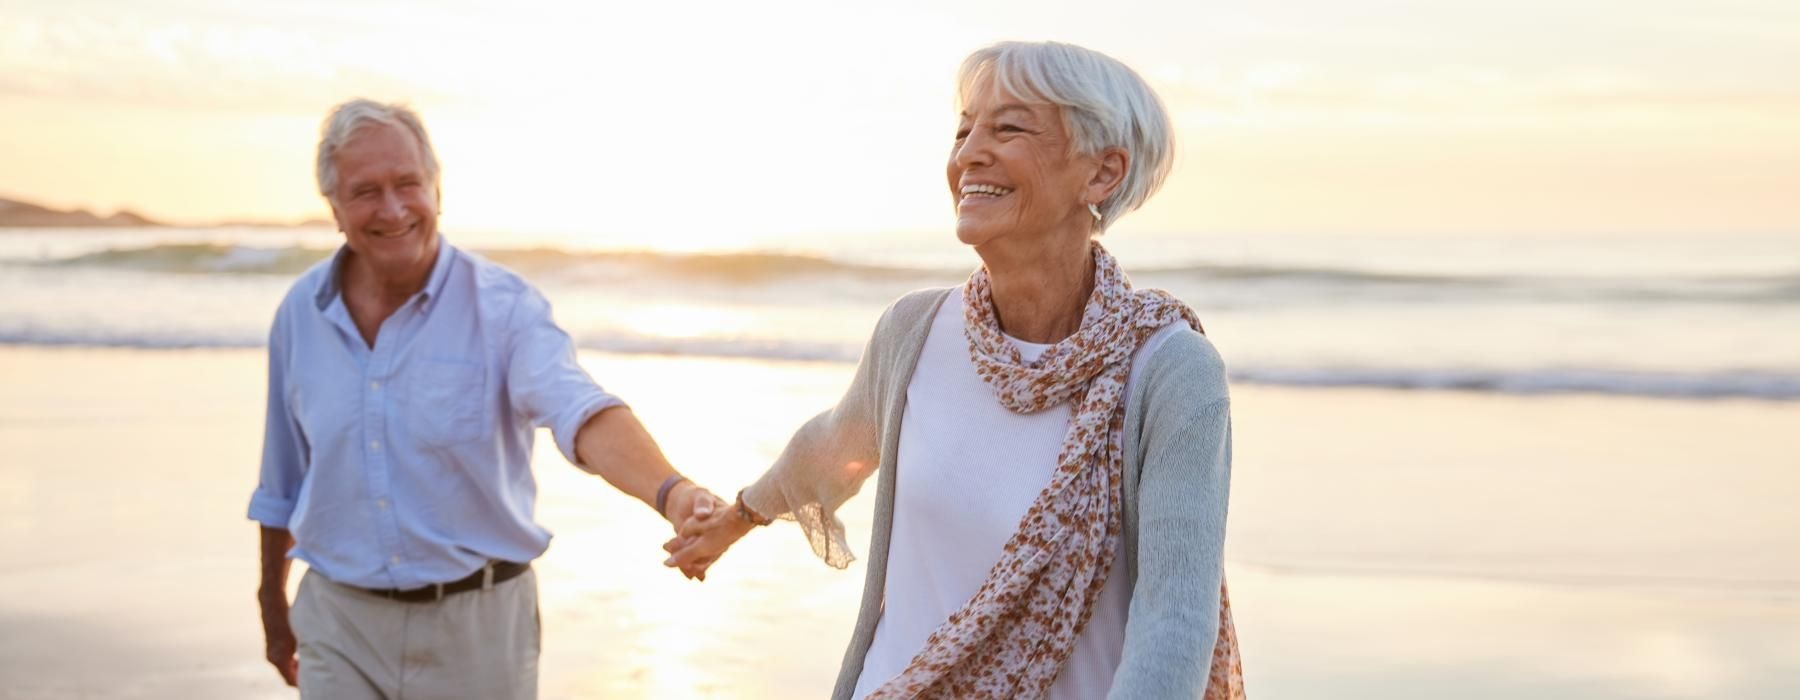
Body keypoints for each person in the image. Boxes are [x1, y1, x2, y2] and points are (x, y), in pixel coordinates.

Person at [665, 41, 1247, 699]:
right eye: (965, 129)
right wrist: (738, 519)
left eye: (1009, 129)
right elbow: (832, 448)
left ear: (1102, 174)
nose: (969, 154)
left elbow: (1174, 620)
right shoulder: (914, 332)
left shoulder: (1167, 369)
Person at [249, 99, 723, 699]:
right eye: (366, 191)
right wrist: (271, 599)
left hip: (477, 629)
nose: (392, 209)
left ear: (437, 190)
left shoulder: (505, 309)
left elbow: (577, 409)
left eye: (408, 184)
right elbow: (282, 479)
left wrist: (672, 491)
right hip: (340, 622)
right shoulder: (301, 312)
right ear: (335, 208)